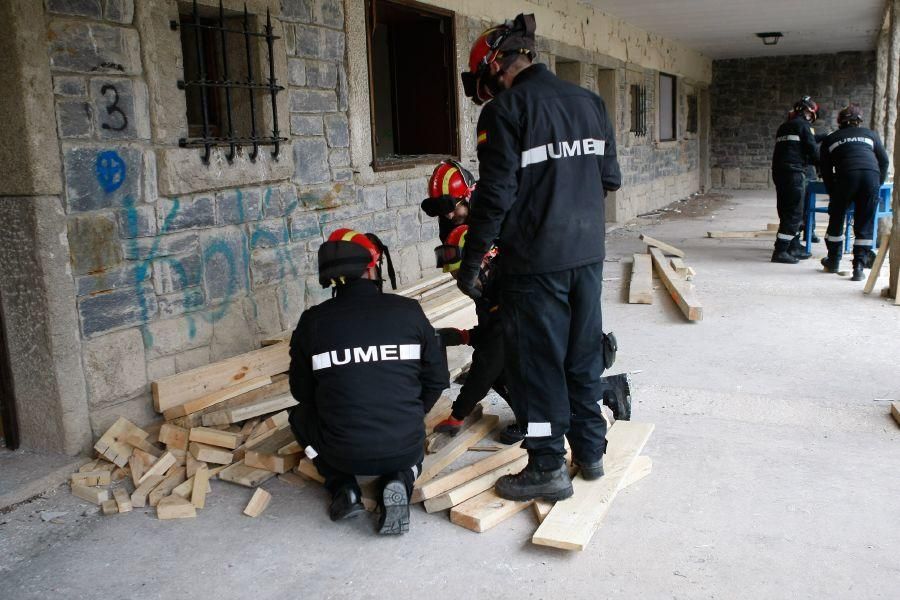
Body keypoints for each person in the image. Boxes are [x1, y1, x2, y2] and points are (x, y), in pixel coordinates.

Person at [456, 13, 622, 502]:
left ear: (496, 65)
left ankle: (548, 464)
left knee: (539, 365)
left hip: (535, 263)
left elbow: (495, 195)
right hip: (588, 255)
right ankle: (591, 451)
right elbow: (608, 180)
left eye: (484, 80)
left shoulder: (506, 111)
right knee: (582, 353)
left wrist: (472, 259)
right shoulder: (590, 102)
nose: (485, 91)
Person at [287, 228, 448, 534]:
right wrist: (410, 412)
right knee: (411, 445)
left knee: (298, 417)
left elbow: (301, 393)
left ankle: (343, 487)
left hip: (341, 452)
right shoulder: (409, 311)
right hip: (404, 443)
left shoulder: (313, 321)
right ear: (372, 267)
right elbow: (437, 379)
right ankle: (400, 479)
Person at [819, 104, 890, 281]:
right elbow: (884, 161)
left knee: (837, 217)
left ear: (839, 121)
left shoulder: (831, 139)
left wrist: (833, 193)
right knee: (864, 221)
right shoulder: (871, 135)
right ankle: (859, 266)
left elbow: (825, 170)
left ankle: (833, 261)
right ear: (859, 121)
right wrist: (876, 184)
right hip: (871, 177)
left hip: (846, 177)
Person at [771, 96, 820, 264]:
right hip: (794, 173)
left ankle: (794, 245)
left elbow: (797, 144)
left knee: (786, 209)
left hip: (780, 173)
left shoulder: (784, 127)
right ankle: (781, 250)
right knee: (795, 212)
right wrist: (825, 168)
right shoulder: (804, 126)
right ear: (809, 113)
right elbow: (812, 151)